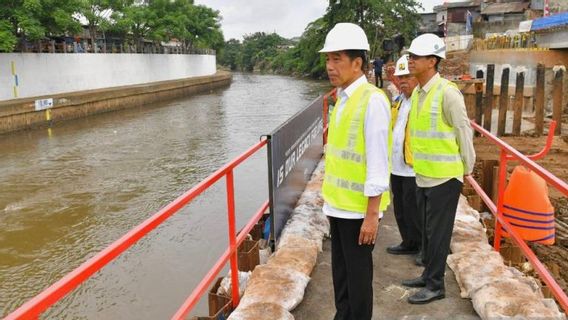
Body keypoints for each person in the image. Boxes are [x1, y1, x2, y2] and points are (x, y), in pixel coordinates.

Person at [320, 23, 391, 320]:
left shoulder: (372, 100)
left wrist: (372, 216)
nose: (330, 66)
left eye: (337, 59)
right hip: (337, 206)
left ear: (357, 63)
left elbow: (377, 162)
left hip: (359, 212)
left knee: (359, 280)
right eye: (328, 59)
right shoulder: (342, 99)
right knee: (341, 275)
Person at [401, 33, 475, 304]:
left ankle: (435, 286)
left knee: (438, 233)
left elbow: (462, 130)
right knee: (426, 231)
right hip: (423, 175)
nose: (410, 60)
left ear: (432, 61)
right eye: (410, 56)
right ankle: (428, 275)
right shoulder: (420, 92)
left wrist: (467, 167)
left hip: (444, 178)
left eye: (416, 57)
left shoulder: (447, 92)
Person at [386, 54, 421, 258]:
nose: (403, 81)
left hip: (412, 167)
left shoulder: (420, 101)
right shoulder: (399, 101)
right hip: (396, 166)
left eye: (407, 76)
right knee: (400, 208)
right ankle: (407, 242)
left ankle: (421, 247)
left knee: (414, 211)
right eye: (400, 77)